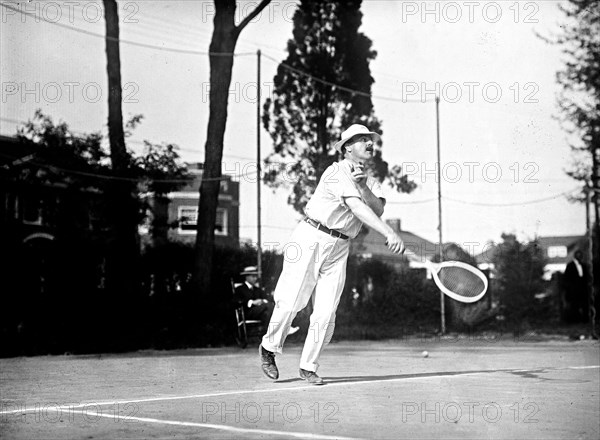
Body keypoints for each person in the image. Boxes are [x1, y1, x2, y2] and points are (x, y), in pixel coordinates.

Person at [259, 124, 405, 385]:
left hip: (340, 246)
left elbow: (377, 209)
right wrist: (389, 234)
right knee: (292, 301)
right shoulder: (335, 171)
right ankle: (269, 348)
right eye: (361, 140)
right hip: (310, 236)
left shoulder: (372, 182)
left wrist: (364, 188)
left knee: (326, 312)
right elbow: (357, 207)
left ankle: (308, 366)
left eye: (370, 140)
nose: (369, 144)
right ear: (347, 147)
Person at [235, 266, 299, 333]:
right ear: (247, 277)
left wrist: (262, 301)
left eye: (256, 276)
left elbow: (267, 298)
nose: (255, 278)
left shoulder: (257, 289)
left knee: (267, 313)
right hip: (248, 312)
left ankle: (270, 334)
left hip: (261, 312)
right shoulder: (240, 289)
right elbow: (236, 302)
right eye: (253, 276)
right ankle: (285, 328)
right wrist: (251, 302)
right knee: (269, 305)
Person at [563, 250, 589, 323]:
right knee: (574, 305)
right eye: (578, 255)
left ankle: (585, 320)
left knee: (584, 304)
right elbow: (566, 278)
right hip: (573, 289)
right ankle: (575, 320)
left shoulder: (584, 265)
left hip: (583, 289)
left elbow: (585, 278)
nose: (579, 257)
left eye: (580, 255)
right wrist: (570, 288)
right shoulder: (570, 266)